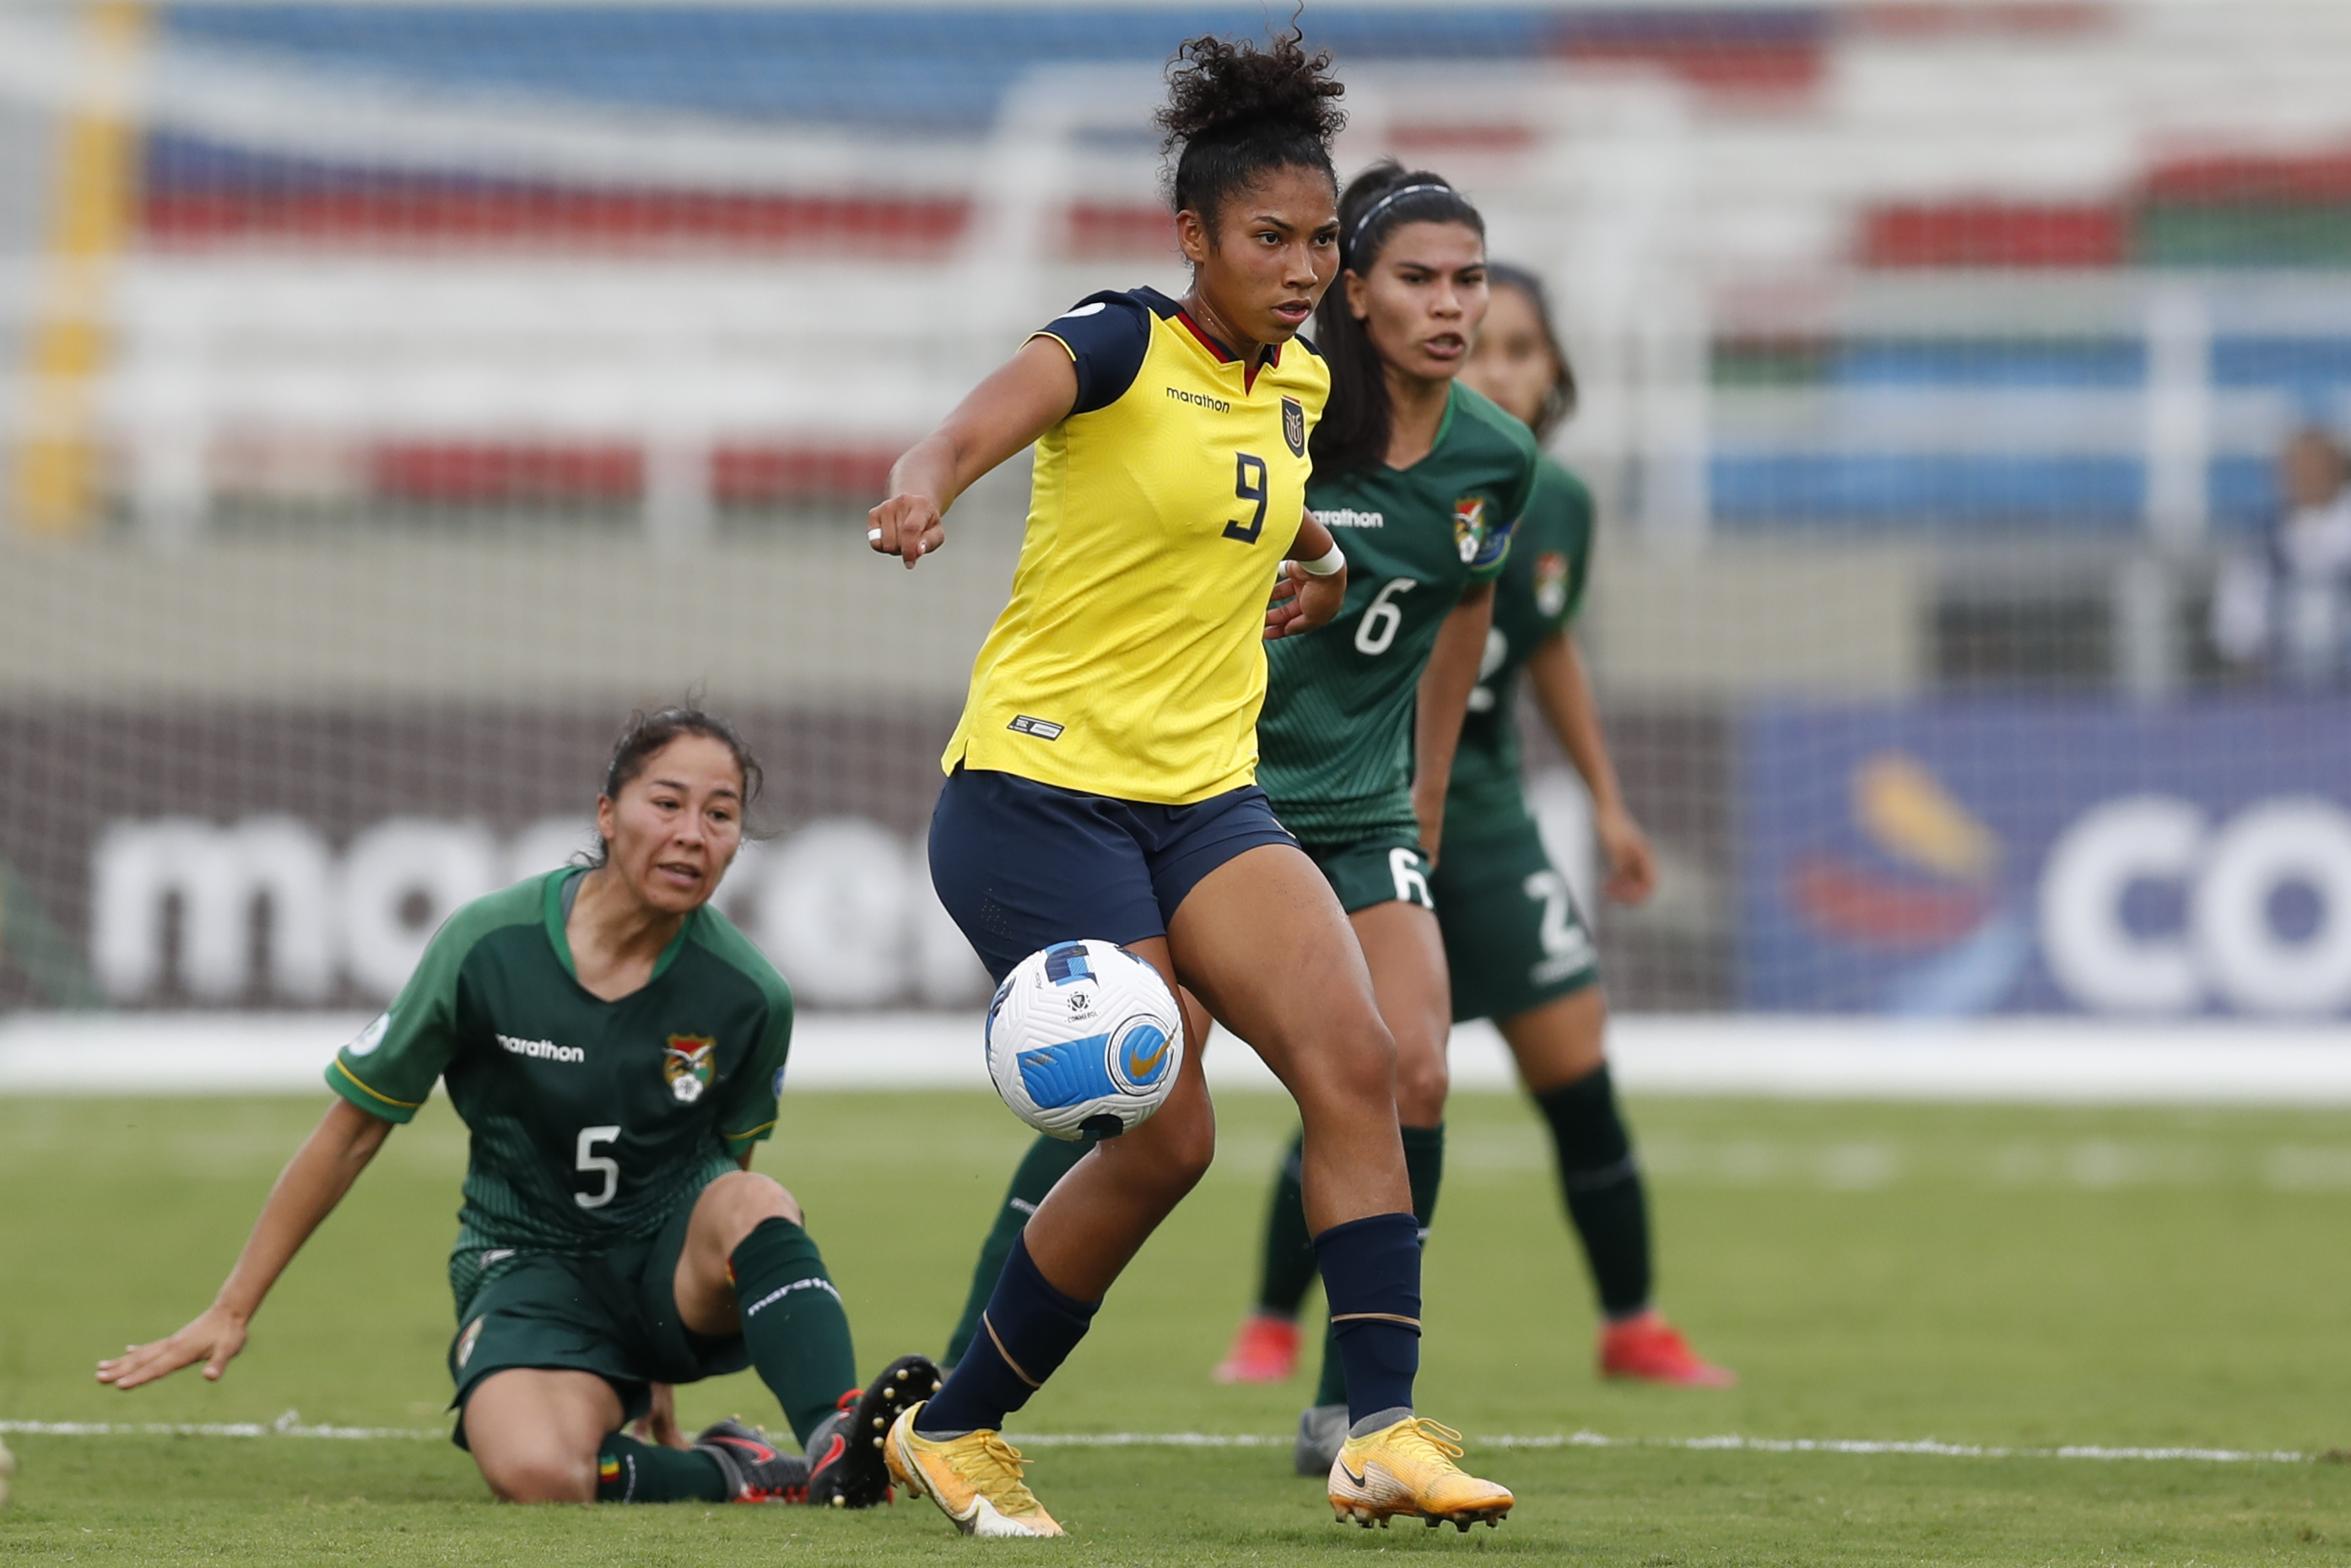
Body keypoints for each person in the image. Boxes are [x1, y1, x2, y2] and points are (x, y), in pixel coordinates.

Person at [867, 27, 1514, 1538]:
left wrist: (1318, 553)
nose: (1301, 268)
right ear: (1193, 240)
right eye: (1268, 240)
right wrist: (918, 488)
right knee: (1171, 1132)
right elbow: (969, 427)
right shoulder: (1111, 340)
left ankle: (1381, 1430)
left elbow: (1255, 495)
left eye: (1315, 240)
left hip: (1202, 797)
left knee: (1359, 1060)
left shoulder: (1296, 379)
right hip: (1034, 796)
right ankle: (952, 1428)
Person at [96, 707, 942, 1507]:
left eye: (720, 814)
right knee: (539, 1472)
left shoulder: (750, 993)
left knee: (755, 1200)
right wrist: (233, 1306)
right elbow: (353, 1131)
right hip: (527, 1265)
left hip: (665, 1266)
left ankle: (837, 1438)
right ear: (607, 814)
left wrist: (663, 1353)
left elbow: (729, 1172)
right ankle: (735, 1469)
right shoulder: (485, 948)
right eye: (667, 803)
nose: (693, 832)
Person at [1219, 265, 1732, 1397]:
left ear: (1554, 375)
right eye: (1481, 342)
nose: (1495, 364)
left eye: (1521, 348)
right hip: (1344, 798)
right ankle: (1273, 1322)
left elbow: (1543, 644)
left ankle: (1631, 1320)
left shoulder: (1544, 498)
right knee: (1363, 1069)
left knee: (1568, 1072)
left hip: (1481, 806)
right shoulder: (1341, 449)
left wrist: (1603, 798)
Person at [2212, 426, 2351, 689]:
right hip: (2283, 698)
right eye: (2297, 466)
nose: (2306, 475)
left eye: (2315, 465)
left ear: (2338, 468)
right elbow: (2238, 632)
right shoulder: (2259, 544)